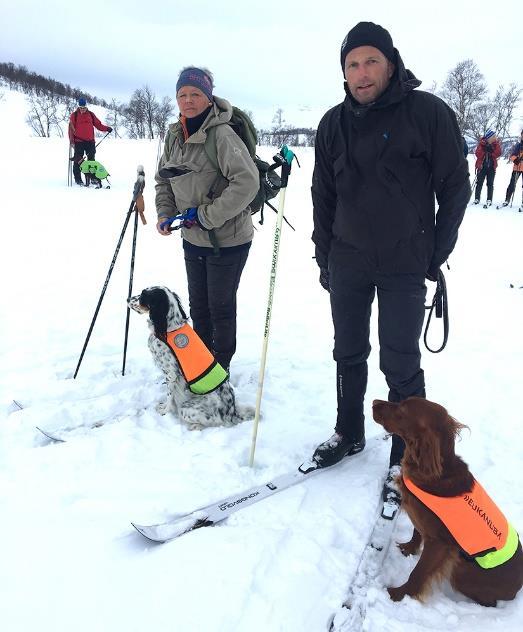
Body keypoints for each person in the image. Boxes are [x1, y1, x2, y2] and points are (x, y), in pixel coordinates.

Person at [310, 22, 470, 508]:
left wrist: (434, 250)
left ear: (391, 62)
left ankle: (403, 454)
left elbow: (456, 187)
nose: (361, 73)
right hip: (348, 259)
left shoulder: (427, 114)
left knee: (400, 361)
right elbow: (323, 194)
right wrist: (325, 254)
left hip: (404, 262)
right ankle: (349, 431)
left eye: (370, 61)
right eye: (352, 64)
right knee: (348, 350)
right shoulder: (332, 124)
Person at [155, 67, 258, 372]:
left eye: (195, 94)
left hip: (229, 239)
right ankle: (201, 363)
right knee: (199, 307)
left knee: (220, 307)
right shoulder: (175, 135)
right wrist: (164, 212)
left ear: (208, 96)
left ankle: (220, 367)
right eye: (182, 94)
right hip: (192, 238)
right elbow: (164, 180)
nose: (188, 100)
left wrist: (206, 216)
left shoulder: (222, 135)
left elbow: (247, 182)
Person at [68, 97, 112, 186]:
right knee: (78, 161)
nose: (82, 109)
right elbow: (70, 129)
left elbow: (98, 125)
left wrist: (107, 128)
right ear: (78, 107)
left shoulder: (91, 115)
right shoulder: (74, 115)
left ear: (86, 106)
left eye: (84, 107)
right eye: (81, 107)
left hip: (90, 142)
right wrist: (71, 141)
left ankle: (93, 178)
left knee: (91, 161)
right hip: (78, 141)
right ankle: (78, 179)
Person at [473, 130, 501, 206]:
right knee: (479, 183)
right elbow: (477, 154)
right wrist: (484, 149)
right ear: (489, 137)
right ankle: (477, 198)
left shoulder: (496, 144)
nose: (495, 137)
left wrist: (491, 151)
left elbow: (498, 153)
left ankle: (489, 199)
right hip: (482, 166)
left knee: (490, 183)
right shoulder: (482, 143)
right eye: (493, 136)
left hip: (491, 167)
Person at [500, 130, 523, 210]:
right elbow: (512, 155)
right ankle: (507, 199)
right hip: (517, 167)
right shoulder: (518, 145)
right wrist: (515, 159)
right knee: (512, 184)